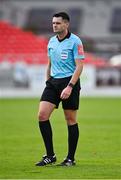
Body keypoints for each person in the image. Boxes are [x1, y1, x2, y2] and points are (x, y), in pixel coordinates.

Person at [35, 12, 85, 166]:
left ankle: (70, 158)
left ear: (66, 24)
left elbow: (80, 66)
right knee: (42, 115)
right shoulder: (51, 41)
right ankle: (50, 155)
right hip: (53, 82)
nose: (54, 25)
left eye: (57, 23)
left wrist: (70, 86)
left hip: (70, 81)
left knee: (70, 119)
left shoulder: (75, 41)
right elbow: (49, 63)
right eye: (53, 23)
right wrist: (47, 80)